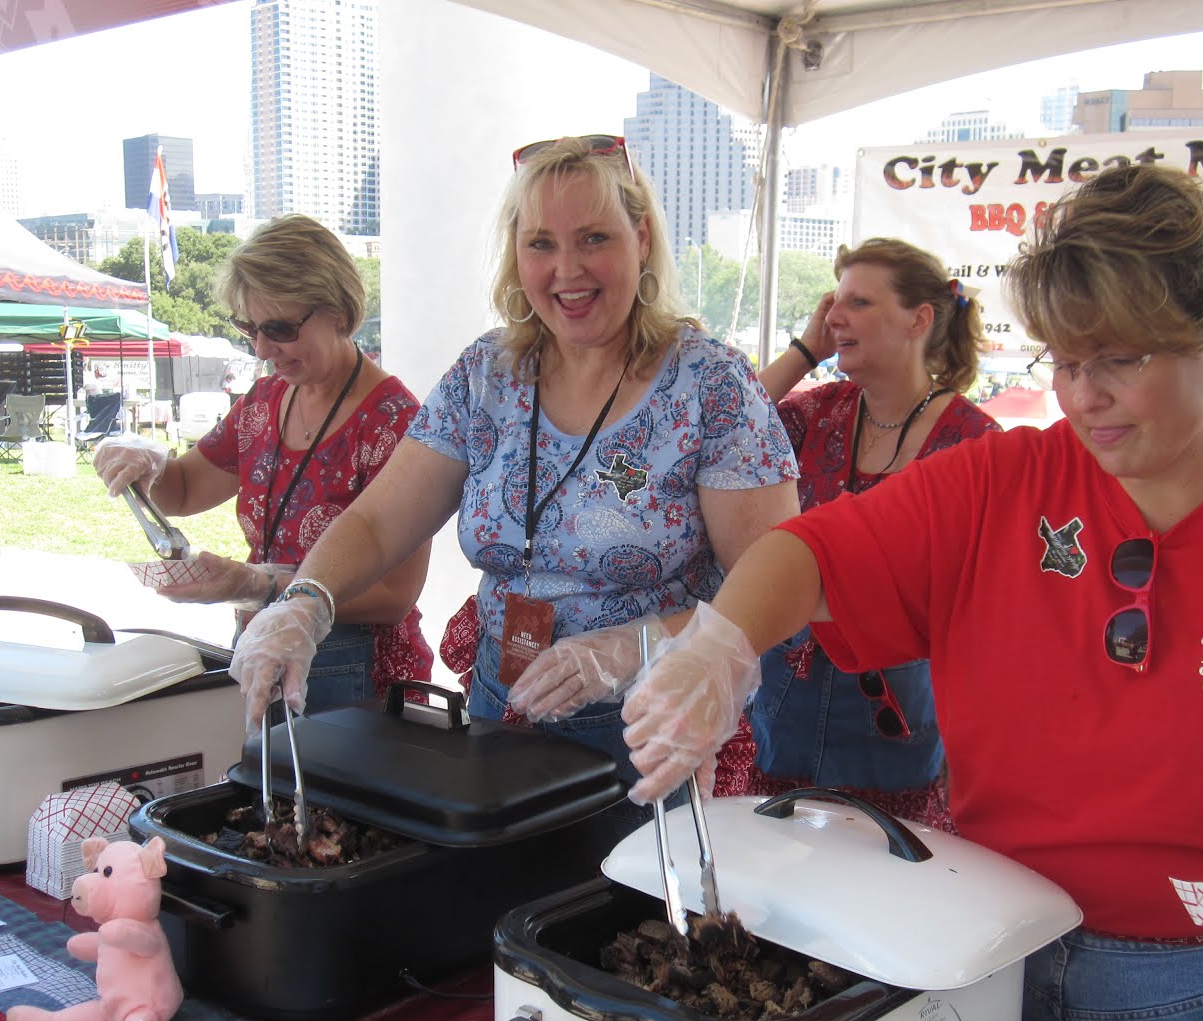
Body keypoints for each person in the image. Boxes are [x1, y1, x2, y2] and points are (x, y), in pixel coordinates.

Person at [619, 165, 1203, 1021]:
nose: (1084, 397)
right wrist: (721, 644)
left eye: (1122, 360)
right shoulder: (1001, 484)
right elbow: (808, 552)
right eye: (1063, 361)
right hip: (988, 952)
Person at [226, 135, 798, 795]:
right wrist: (306, 599)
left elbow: (774, 585)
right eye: (541, 244)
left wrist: (634, 646)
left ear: (641, 239)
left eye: (593, 238)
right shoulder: (487, 375)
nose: (567, 270)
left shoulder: (711, 385)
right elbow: (380, 523)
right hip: (504, 707)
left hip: (653, 728)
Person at [92, 214, 434, 712]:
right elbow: (185, 490)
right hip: (265, 647)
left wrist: (259, 585)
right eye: (248, 327)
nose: (260, 348)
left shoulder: (393, 421)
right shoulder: (267, 399)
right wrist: (147, 467)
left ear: (338, 310)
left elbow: (393, 595)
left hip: (358, 673)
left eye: (279, 328)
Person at [718, 238, 1001, 824]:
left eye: (859, 303)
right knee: (778, 862)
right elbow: (726, 425)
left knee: (879, 870)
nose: (835, 316)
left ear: (920, 318)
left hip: (897, 712)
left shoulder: (975, 441)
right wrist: (804, 349)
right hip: (785, 696)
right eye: (833, 302)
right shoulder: (819, 410)